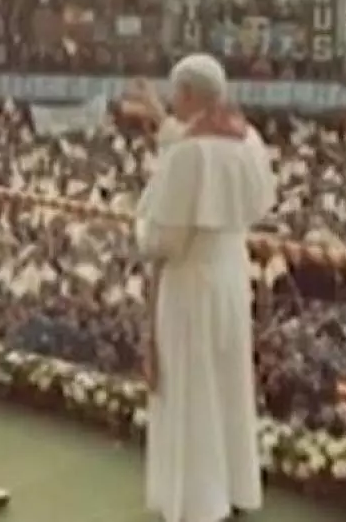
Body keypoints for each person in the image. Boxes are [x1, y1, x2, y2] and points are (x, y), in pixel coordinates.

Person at [124, 54, 277, 522]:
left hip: (190, 282)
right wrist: (158, 116)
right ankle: (233, 488)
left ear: (188, 94)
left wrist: (137, 225)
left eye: (175, 95)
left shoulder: (189, 154)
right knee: (227, 382)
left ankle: (198, 502)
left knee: (192, 388)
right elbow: (190, 145)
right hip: (230, 275)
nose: (172, 101)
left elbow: (162, 239)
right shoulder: (247, 137)